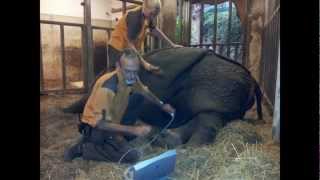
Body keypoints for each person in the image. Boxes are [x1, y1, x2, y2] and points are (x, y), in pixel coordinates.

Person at [64, 49, 176, 163]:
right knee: (132, 156)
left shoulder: (131, 78)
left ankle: (118, 137)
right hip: (95, 128)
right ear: (118, 66)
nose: (132, 76)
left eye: (135, 71)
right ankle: (83, 148)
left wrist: (162, 105)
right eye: (128, 71)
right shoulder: (107, 88)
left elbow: (144, 92)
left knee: (139, 97)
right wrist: (133, 130)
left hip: (113, 119)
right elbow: (100, 124)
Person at [101, 0, 182, 75]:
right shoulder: (135, 18)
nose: (153, 17)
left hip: (128, 48)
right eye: (152, 14)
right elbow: (130, 44)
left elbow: (154, 30)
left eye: (155, 15)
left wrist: (172, 44)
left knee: (132, 72)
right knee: (119, 74)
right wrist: (144, 63)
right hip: (117, 47)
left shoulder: (147, 16)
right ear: (145, 8)